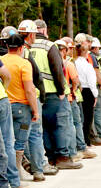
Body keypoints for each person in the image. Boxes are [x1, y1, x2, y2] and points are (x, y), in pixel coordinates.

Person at [22, 19, 82, 169]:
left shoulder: (25, 48)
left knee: (44, 127)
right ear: (43, 30)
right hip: (53, 93)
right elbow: (58, 70)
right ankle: (62, 157)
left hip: (34, 94)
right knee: (60, 125)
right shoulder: (49, 46)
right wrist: (61, 90)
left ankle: (49, 158)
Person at [2, 32, 43, 182]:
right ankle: (17, 170)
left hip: (6, 106)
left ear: (7, 46)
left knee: (6, 140)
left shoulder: (1, 60)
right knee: (20, 141)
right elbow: (29, 89)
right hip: (23, 111)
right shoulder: (24, 64)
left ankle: (8, 173)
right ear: (21, 48)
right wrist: (36, 110)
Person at [74, 41, 99, 152]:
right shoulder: (87, 66)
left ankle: (81, 140)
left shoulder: (74, 63)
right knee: (88, 117)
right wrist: (95, 94)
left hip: (79, 90)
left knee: (81, 117)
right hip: (88, 90)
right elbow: (92, 81)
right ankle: (87, 141)